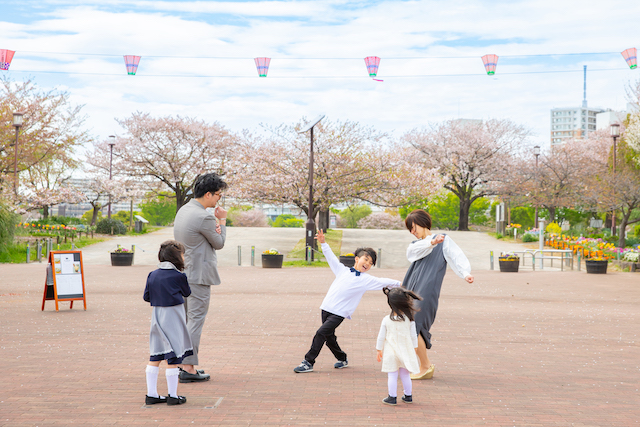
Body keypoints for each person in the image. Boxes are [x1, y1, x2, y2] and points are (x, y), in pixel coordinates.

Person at [293, 229, 402, 373]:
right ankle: (342, 358)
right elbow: (330, 257)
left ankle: (308, 361)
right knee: (329, 338)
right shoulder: (342, 270)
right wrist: (323, 243)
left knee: (320, 333)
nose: (367, 263)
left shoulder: (367, 280)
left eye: (371, 263)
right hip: (326, 308)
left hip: (340, 313)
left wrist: (403, 283)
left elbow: (384, 281)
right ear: (357, 258)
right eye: (366, 259)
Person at [403, 209, 474, 380]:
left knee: (416, 324)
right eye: (410, 230)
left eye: (413, 227)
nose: (413, 232)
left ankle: (425, 366)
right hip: (411, 285)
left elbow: (456, 256)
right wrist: (431, 242)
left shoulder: (444, 240)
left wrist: (465, 273)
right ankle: (424, 365)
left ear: (422, 222)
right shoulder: (417, 245)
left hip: (427, 288)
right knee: (408, 324)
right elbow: (412, 254)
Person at [173, 173, 228, 383]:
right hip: (199, 276)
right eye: (218, 195)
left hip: (183, 272)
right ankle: (188, 367)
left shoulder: (184, 210)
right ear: (208, 194)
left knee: (187, 319)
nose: (218, 200)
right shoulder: (204, 216)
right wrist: (221, 220)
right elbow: (219, 242)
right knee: (195, 320)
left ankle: (182, 362)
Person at [143, 240, 193, 406]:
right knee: (174, 355)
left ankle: (152, 394)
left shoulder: (153, 274)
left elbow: (146, 297)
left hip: (157, 315)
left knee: (156, 354)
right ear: (177, 257)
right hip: (173, 317)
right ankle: (173, 395)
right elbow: (187, 292)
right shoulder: (179, 276)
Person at [376, 287, 423, 406]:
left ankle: (392, 397)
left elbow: (381, 336)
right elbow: (414, 336)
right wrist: (415, 348)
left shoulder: (386, 320)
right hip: (405, 351)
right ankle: (408, 395)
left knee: (392, 374)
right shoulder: (409, 320)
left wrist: (378, 349)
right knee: (405, 374)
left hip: (391, 352)